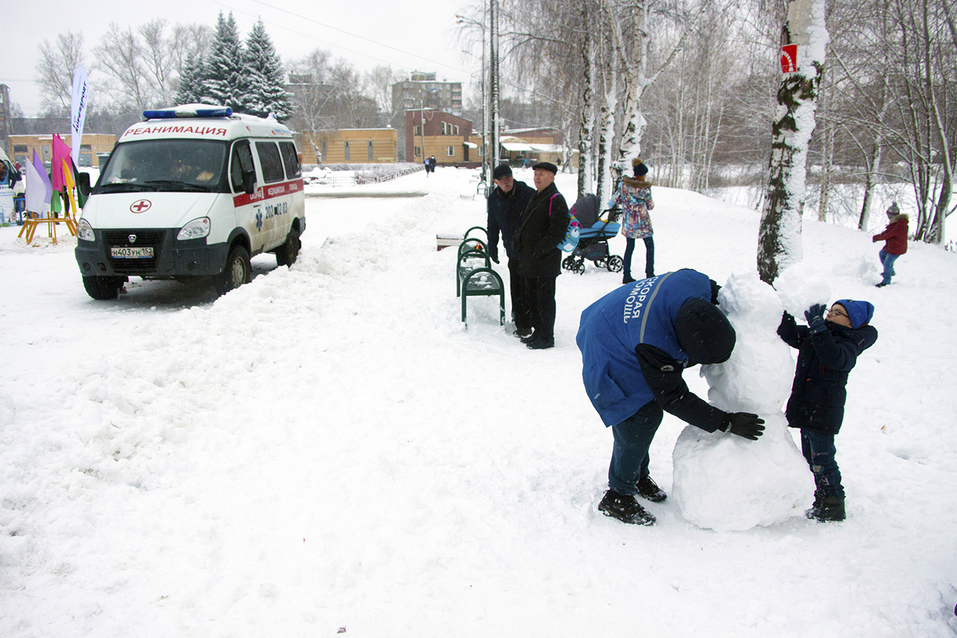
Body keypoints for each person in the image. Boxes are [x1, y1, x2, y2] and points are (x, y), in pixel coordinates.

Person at [577, 269, 766, 525]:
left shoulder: (696, 283)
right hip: (605, 341)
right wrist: (726, 422)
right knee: (640, 416)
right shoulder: (654, 343)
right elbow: (674, 398)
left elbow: (728, 297)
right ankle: (618, 495)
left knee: (646, 411)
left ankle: (636, 474)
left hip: (619, 318)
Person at [777, 299, 878, 522]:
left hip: (823, 411)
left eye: (838, 313)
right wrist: (782, 307)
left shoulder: (849, 341)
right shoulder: (819, 334)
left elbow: (835, 358)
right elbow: (792, 334)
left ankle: (833, 503)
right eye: (831, 310)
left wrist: (818, 326)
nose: (831, 314)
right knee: (810, 458)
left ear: (852, 323)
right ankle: (821, 498)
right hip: (807, 408)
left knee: (823, 460)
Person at [513, 161, 569, 350]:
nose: (537, 177)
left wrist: (538, 250)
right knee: (532, 299)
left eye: (542, 174)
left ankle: (547, 337)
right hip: (530, 261)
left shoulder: (555, 199)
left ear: (552, 177)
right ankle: (538, 332)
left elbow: (557, 232)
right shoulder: (538, 196)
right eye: (536, 174)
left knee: (544, 300)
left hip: (544, 262)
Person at [486, 164, 536, 338]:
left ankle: (528, 323)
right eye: (502, 179)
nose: (507, 181)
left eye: (509, 177)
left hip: (530, 249)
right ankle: (520, 320)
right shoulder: (494, 200)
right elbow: (492, 224)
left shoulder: (527, 194)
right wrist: (492, 246)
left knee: (528, 287)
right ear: (496, 182)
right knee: (516, 286)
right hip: (512, 250)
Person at [614, 157, 655, 284]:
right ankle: (649, 273)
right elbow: (651, 206)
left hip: (629, 223)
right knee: (650, 246)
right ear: (642, 175)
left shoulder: (624, 186)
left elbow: (616, 200)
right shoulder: (644, 188)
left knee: (630, 247)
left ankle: (626, 275)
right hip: (643, 223)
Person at [872, 202, 908, 288]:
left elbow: (887, 234)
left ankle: (886, 281)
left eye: (889, 215)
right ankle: (890, 271)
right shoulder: (898, 223)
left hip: (896, 248)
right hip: (892, 246)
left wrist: (876, 238)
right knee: (882, 254)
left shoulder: (897, 225)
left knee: (888, 263)